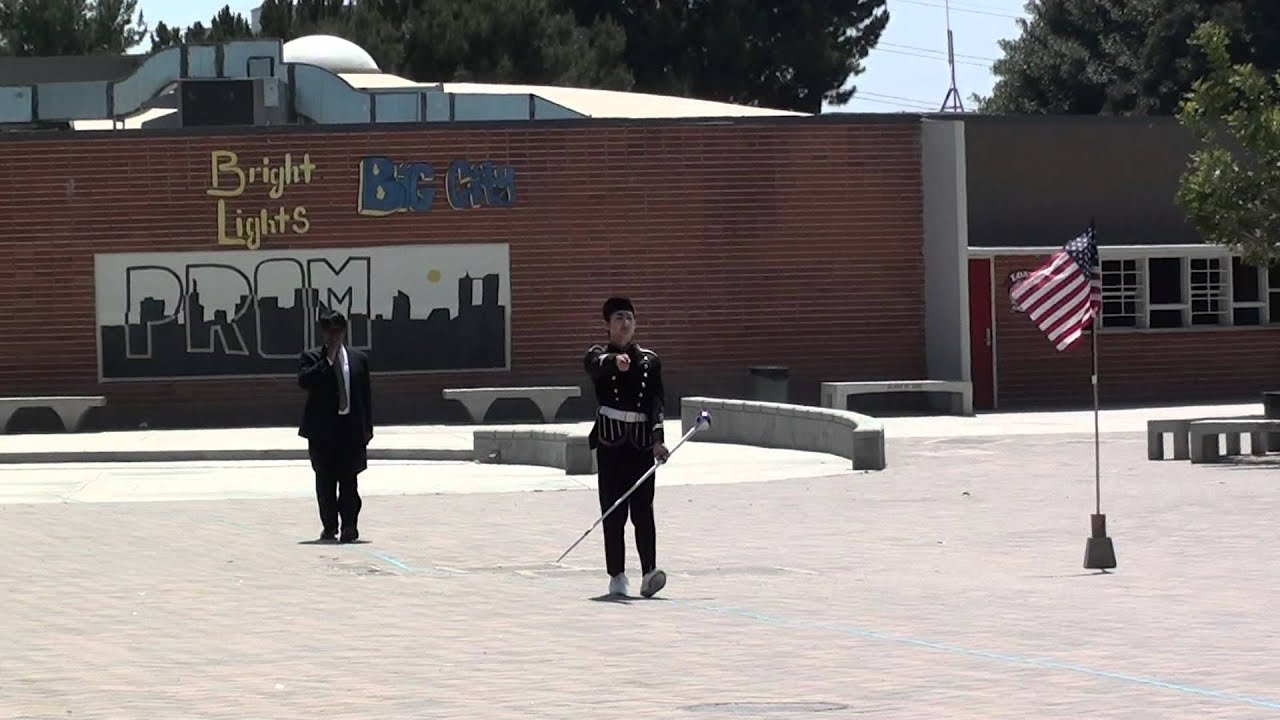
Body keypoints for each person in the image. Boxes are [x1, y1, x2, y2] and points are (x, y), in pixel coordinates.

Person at [584, 297, 670, 598]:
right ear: (608, 324)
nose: (625, 323)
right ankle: (617, 574)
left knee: (643, 510)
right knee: (614, 510)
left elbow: (656, 402)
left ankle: (650, 571)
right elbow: (595, 367)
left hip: (641, 444)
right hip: (611, 443)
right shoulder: (598, 354)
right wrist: (614, 362)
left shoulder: (649, 360)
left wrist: (658, 440)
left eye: (630, 318)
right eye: (619, 317)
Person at [297, 310, 374, 543]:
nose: (334, 337)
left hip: (350, 429)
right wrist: (328, 360)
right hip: (323, 433)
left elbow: (365, 396)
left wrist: (367, 428)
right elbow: (305, 381)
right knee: (326, 482)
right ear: (323, 333)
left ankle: (350, 526)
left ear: (344, 332)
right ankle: (330, 526)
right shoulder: (311, 358)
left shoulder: (359, 359)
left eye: (338, 331)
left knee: (349, 481)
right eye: (330, 332)